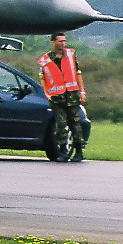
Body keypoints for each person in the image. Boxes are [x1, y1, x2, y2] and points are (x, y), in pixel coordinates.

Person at [38, 33, 87, 162]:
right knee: (61, 124)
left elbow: (78, 74)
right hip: (56, 97)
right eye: (60, 41)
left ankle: (79, 151)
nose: (63, 44)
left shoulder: (71, 56)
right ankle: (63, 151)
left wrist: (82, 92)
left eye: (64, 41)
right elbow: (43, 78)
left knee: (75, 123)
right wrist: (46, 93)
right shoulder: (46, 60)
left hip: (71, 95)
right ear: (53, 42)